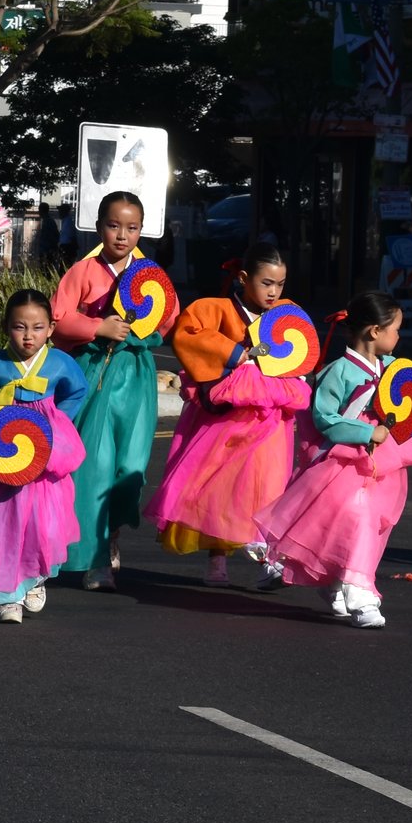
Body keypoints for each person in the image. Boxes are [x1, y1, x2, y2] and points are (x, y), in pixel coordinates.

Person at [256, 291, 412, 628]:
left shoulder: (391, 370)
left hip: (382, 464)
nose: (399, 336)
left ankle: (336, 582)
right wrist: (365, 432)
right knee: (357, 520)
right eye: (395, 328)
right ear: (374, 331)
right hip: (342, 463)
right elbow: (324, 417)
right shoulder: (337, 372)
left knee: (366, 523)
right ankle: (361, 595)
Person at [144, 244, 311, 583]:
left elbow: (301, 350)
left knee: (265, 486)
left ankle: (265, 553)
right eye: (266, 283)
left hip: (270, 415)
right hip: (228, 415)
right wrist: (236, 353)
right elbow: (190, 335)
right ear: (244, 278)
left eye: (279, 285)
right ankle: (217, 561)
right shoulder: (214, 309)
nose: (274, 292)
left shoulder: (285, 314)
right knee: (221, 486)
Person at [0, 289, 90, 623]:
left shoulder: (61, 363)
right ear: (6, 327)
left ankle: (35, 576)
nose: (28, 336)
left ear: (51, 328)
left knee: (41, 525)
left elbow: (77, 391)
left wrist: (57, 422)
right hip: (0, 450)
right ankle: (9, 597)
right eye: (20, 327)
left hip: (42, 455)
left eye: (37, 328)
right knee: (1, 524)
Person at [50, 191, 165, 589]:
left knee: (130, 468)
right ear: (99, 227)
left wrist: (145, 334)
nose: (122, 235)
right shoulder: (83, 271)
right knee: (94, 467)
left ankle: (112, 534)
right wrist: (97, 327)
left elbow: (167, 318)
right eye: (114, 226)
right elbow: (58, 319)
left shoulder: (150, 273)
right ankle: (92, 556)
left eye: (132, 228)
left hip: (135, 377)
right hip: (94, 373)